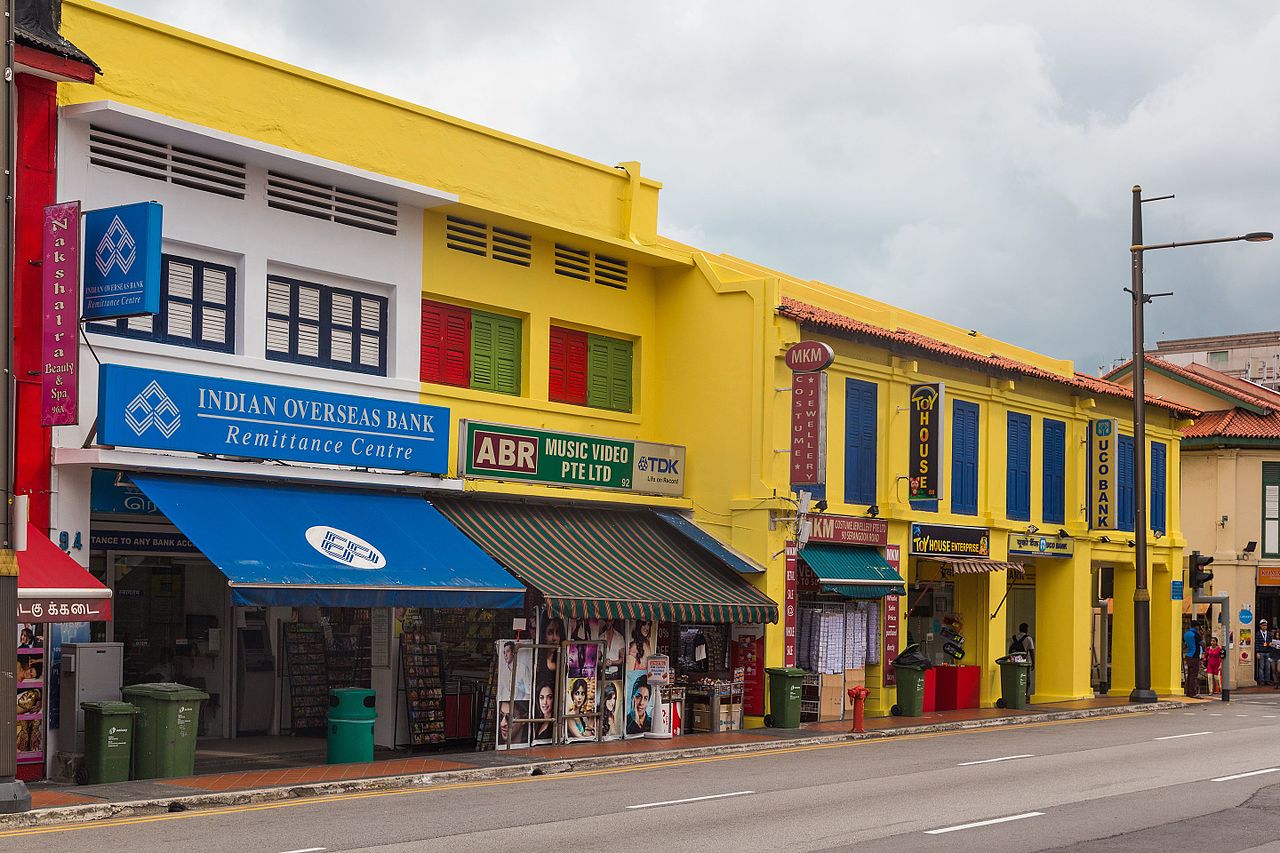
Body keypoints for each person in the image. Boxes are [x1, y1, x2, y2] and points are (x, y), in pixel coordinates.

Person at [1009, 622, 1035, 699]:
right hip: (1025, 662)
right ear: (1026, 629)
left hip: (1015, 662)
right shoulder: (1028, 638)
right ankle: (1025, 694)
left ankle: (1015, 693)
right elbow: (1031, 651)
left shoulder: (1013, 638)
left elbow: (1010, 651)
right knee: (1025, 679)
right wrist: (1033, 663)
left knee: (1015, 678)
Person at [1184, 622, 1202, 698]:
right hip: (1194, 655)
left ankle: (1188, 691)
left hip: (1188, 655)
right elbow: (1202, 643)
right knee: (1194, 675)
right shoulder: (1196, 634)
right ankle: (1193, 693)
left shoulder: (1186, 634)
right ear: (1196, 627)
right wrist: (1202, 635)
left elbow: (1185, 644)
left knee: (1189, 675)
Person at [1257, 620, 1274, 686]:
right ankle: (1261, 680)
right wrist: (1257, 652)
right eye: (1263, 625)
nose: (1265, 626)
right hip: (1261, 652)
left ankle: (1267, 680)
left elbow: (1271, 641)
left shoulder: (1269, 634)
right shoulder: (1258, 634)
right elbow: (1257, 643)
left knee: (1268, 667)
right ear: (1260, 626)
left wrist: (1270, 644)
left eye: (1266, 625)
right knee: (1261, 667)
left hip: (1268, 652)